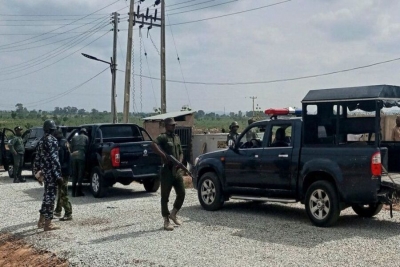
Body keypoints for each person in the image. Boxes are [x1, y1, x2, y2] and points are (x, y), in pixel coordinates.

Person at [151, 117, 185, 231]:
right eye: (171, 125)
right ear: (166, 126)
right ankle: (166, 220)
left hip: (176, 170)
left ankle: (173, 214)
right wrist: (163, 155)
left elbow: (180, 152)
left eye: (174, 125)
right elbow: (153, 145)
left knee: (182, 193)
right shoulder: (163, 137)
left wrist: (179, 162)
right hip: (167, 171)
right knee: (165, 196)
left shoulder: (176, 138)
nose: (174, 126)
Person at [33, 119, 63, 231]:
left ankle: (41, 221)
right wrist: (58, 175)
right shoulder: (52, 140)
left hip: (44, 173)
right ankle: (48, 224)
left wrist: (37, 174)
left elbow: (37, 158)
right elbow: (54, 160)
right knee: (50, 198)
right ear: (51, 129)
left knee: (46, 197)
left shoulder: (41, 141)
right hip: (51, 174)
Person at [54, 130, 73, 221]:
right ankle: (58, 210)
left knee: (63, 193)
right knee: (60, 191)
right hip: (66, 170)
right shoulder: (65, 142)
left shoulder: (60, 145)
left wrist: (57, 172)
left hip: (63, 171)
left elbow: (60, 160)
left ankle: (68, 213)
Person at [70, 128, 89, 197]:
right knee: (80, 175)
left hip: (74, 157)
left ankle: (73, 193)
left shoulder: (74, 138)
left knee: (74, 174)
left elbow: (71, 148)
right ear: (85, 132)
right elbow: (87, 148)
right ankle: (78, 192)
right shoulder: (86, 138)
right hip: (81, 157)